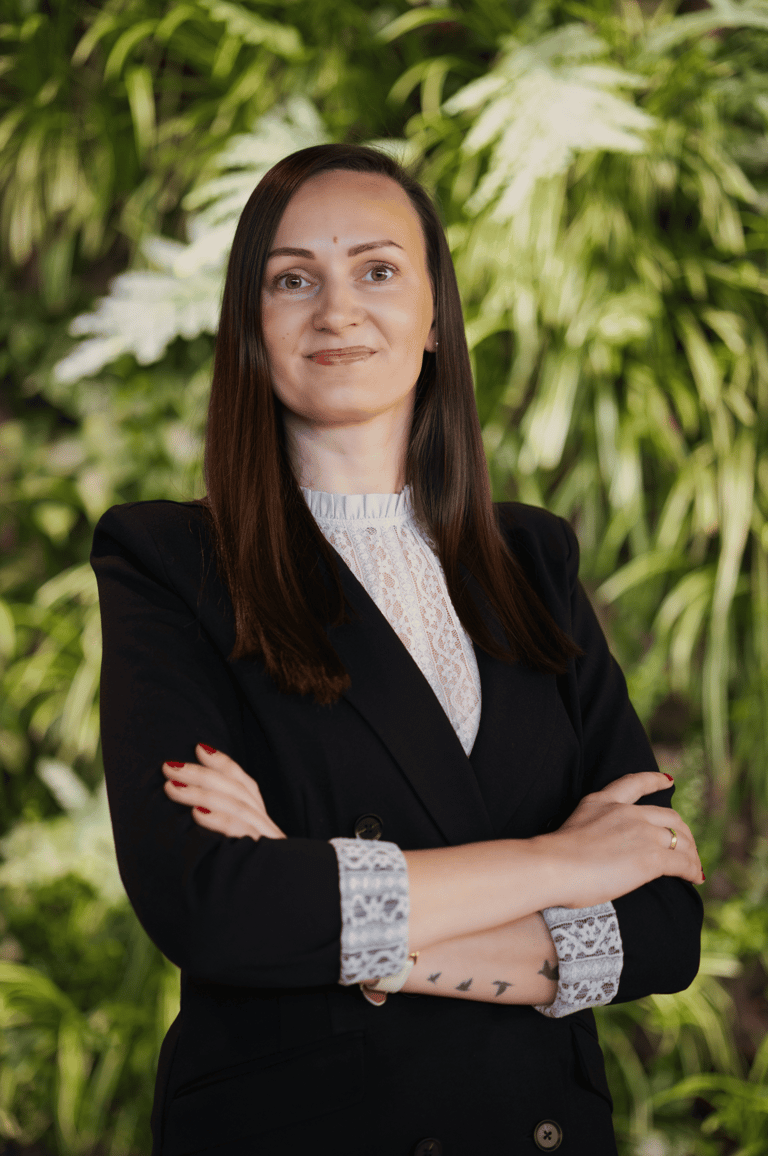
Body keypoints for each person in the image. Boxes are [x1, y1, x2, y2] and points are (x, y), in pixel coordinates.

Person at [91, 142, 704, 1156]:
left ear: (433, 318)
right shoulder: (172, 562)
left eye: (377, 270)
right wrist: (562, 861)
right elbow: (214, 907)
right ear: (251, 323)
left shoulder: (534, 557)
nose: (337, 310)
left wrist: (356, 933)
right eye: (294, 279)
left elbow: (662, 928)